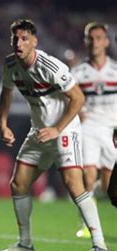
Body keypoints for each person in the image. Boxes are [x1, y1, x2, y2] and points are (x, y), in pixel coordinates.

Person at [0, 19, 111, 251]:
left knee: (73, 184)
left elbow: (78, 99)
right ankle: (25, 244)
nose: (19, 43)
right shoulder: (10, 64)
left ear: (34, 41)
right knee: (18, 184)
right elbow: (6, 93)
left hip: (65, 129)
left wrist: (58, 128)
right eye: (15, 38)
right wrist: (2, 123)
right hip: (39, 131)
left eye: (25, 38)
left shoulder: (50, 66)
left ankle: (100, 247)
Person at [70, 22, 117, 237]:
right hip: (87, 128)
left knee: (110, 186)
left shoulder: (115, 71)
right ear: (86, 41)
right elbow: (68, 98)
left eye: (99, 38)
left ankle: (96, 192)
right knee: (88, 175)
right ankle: (87, 225)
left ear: (106, 41)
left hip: (112, 129)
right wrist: (77, 111)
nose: (95, 42)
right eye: (91, 38)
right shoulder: (78, 72)